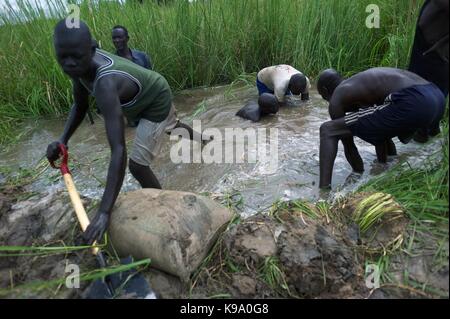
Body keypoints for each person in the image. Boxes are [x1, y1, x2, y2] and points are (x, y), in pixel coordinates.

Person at [47, 20, 208, 245]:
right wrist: (63, 140)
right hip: (145, 94)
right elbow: (80, 105)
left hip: (155, 99)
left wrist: (104, 212)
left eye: (75, 57)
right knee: (171, 127)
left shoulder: (104, 82)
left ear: (92, 50)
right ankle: (206, 140)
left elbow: (118, 150)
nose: (70, 64)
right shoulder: (79, 64)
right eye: (63, 57)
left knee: (137, 165)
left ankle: (167, 209)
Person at [317, 67, 445, 189]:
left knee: (328, 130)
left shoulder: (337, 96)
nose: (329, 102)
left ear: (325, 90)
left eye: (324, 98)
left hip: (413, 100)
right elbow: (381, 131)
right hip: (436, 97)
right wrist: (382, 165)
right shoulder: (361, 86)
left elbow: (350, 148)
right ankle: (393, 169)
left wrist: (357, 173)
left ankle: (323, 194)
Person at [408, 0, 449, 143]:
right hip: (429, 46)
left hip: (438, 48)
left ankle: (430, 127)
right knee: (423, 85)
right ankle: (423, 129)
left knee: (438, 86)